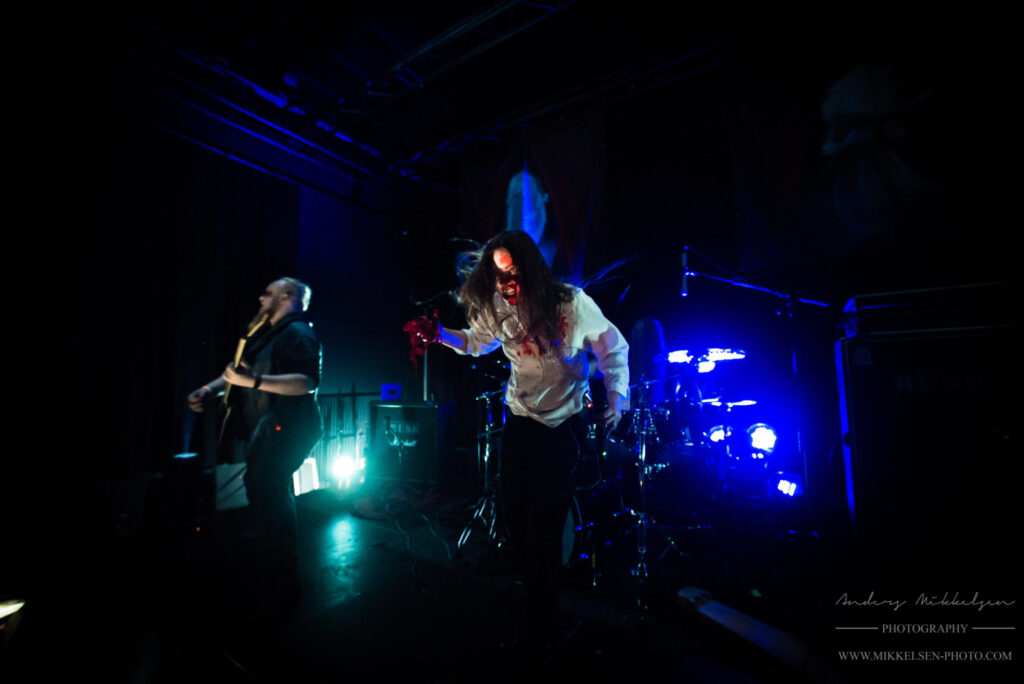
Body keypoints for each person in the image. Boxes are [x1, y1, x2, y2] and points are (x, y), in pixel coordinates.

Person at [411, 230, 629, 665]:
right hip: (521, 421)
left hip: (563, 425)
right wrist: (439, 335)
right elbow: (476, 343)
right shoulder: (495, 307)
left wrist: (617, 400)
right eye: (496, 274)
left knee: (545, 532)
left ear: (528, 267)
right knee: (516, 524)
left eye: (512, 272)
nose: (505, 283)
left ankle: (540, 631)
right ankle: (536, 605)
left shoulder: (570, 303)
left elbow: (613, 349)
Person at [187, 277, 323, 593]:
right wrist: (208, 389)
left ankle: (281, 562)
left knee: (267, 486)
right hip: (269, 425)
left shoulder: (298, 333)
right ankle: (271, 543)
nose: (261, 300)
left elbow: (306, 382)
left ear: (287, 296)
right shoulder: (267, 336)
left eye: (268, 294)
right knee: (265, 484)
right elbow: (235, 373)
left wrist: (255, 381)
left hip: (289, 424)